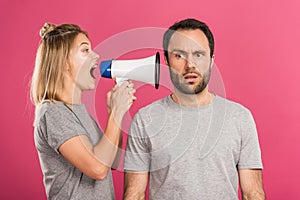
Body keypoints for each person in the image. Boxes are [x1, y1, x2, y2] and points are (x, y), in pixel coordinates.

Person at [123, 18, 265, 200]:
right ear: (166, 60)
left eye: (199, 54)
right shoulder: (145, 119)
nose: (190, 64)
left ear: (211, 60)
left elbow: (253, 193)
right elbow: (134, 194)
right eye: (179, 55)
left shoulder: (239, 117)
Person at [31, 23, 136, 199]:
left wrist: (113, 113)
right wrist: (117, 112)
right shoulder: (53, 113)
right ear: (63, 62)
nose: (96, 55)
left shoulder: (79, 113)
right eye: (85, 50)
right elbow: (97, 169)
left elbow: (112, 160)